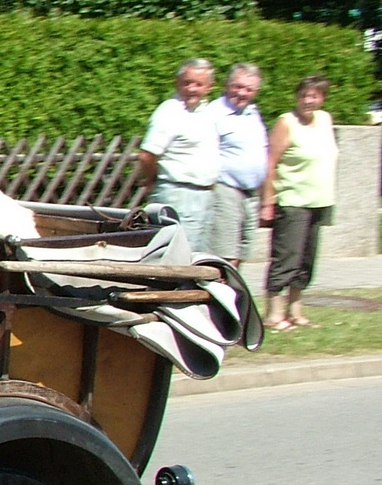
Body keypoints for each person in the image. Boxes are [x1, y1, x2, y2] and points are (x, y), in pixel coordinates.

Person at [260, 75, 339, 331]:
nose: (308, 100)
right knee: (287, 258)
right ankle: (274, 314)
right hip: (292, 201)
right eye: (304, 95)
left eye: (314, 95)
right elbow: (270, 163)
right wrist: (267, 201)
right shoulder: (287, 122)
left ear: (322, 98)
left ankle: (295, 311)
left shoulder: (325, 119)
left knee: (306, 261)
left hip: (319, 201)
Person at [137, 58, 219, 252]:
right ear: (177, 82)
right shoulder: (169, 111)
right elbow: (147, 155)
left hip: (204, 194)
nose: (192, 88)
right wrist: (152, 179)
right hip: (178, 193)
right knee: (177, 253)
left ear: (209, 87)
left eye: (198, 84)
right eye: (187, 82)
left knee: (198, 253)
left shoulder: (207, 112)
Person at [205, 63, 268, 267]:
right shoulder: (214, 113)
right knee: (225, 254)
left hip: (251, 194)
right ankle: (219, 296)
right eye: (237, 86)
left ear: (256, 92)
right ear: (227, 85)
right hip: (225, 189)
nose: (242, 93)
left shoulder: (252, 112)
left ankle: (232, 294)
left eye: (248, 89)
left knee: (242, 251)